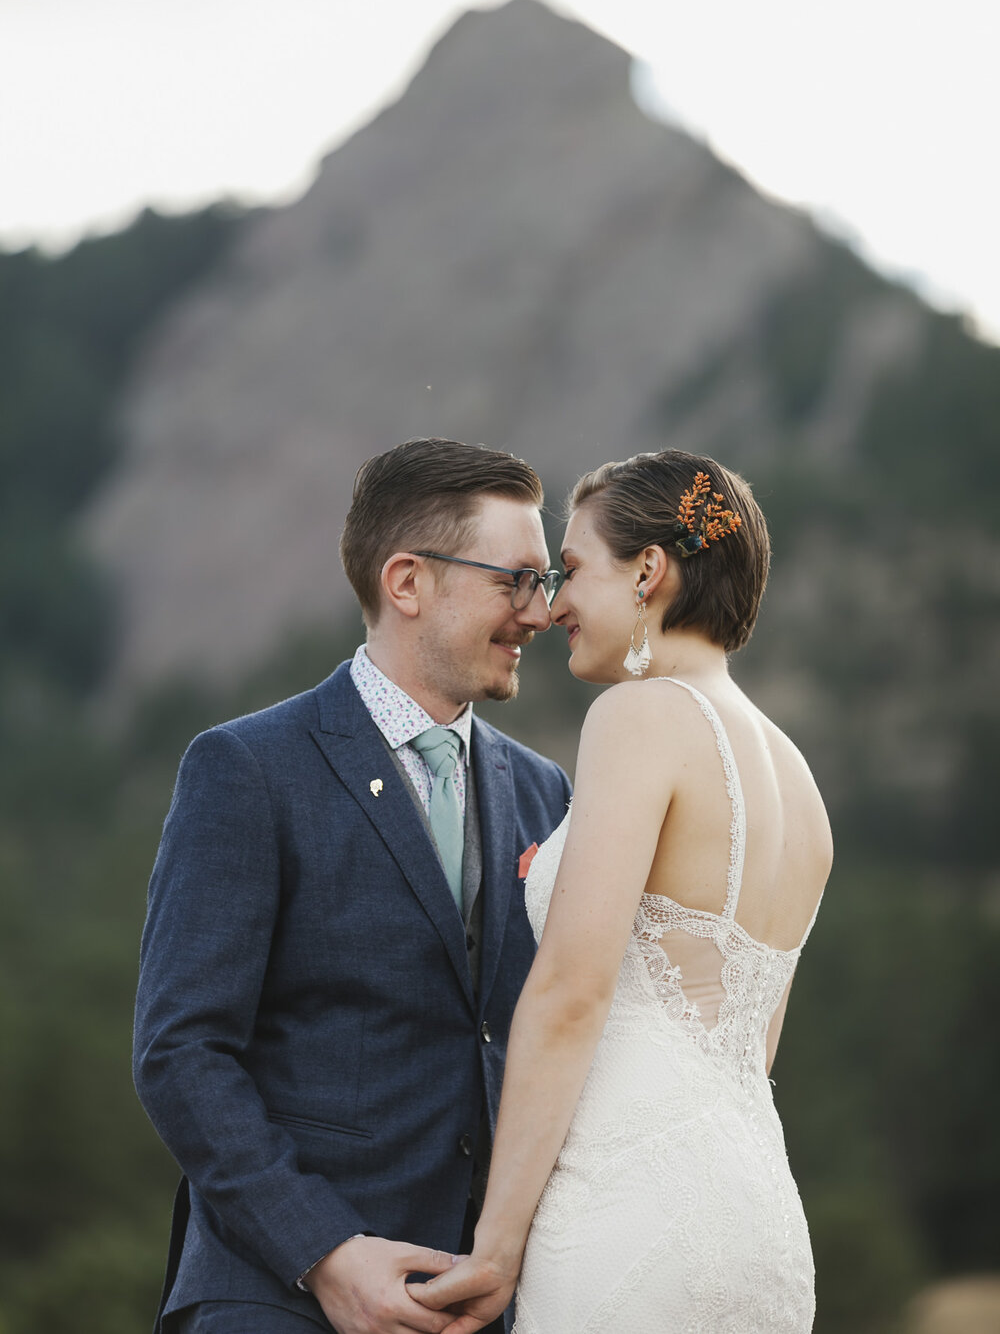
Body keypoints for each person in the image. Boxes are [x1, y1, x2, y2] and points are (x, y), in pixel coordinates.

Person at [133, 437, 572, 1334]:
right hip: (277, 1300)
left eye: (549, 580)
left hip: (476, 1307)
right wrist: (326, 1252)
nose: (541, 612)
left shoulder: (546, 791)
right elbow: (181, 1052)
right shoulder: (245, 768)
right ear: (408, 582)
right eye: (516, 580)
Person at [411, 448, 833, 1334]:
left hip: (634, 1214)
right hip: (760, 1220)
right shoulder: (799, 782)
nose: (553, 603)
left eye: (570, 571)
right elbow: (750, 1047)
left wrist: (497, 1242)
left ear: (649, 569)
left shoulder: (641, 717)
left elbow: (571, 992)